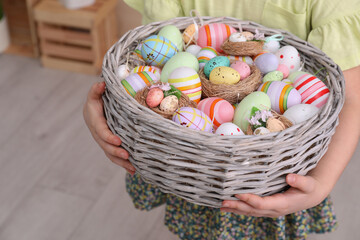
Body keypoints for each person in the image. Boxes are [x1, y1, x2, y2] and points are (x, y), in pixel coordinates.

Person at [83, 0, 360, 239]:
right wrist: (108, 105)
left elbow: (350, 97)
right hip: (184, 162)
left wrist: (322, 183)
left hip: (273, 174)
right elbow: (152, 54)